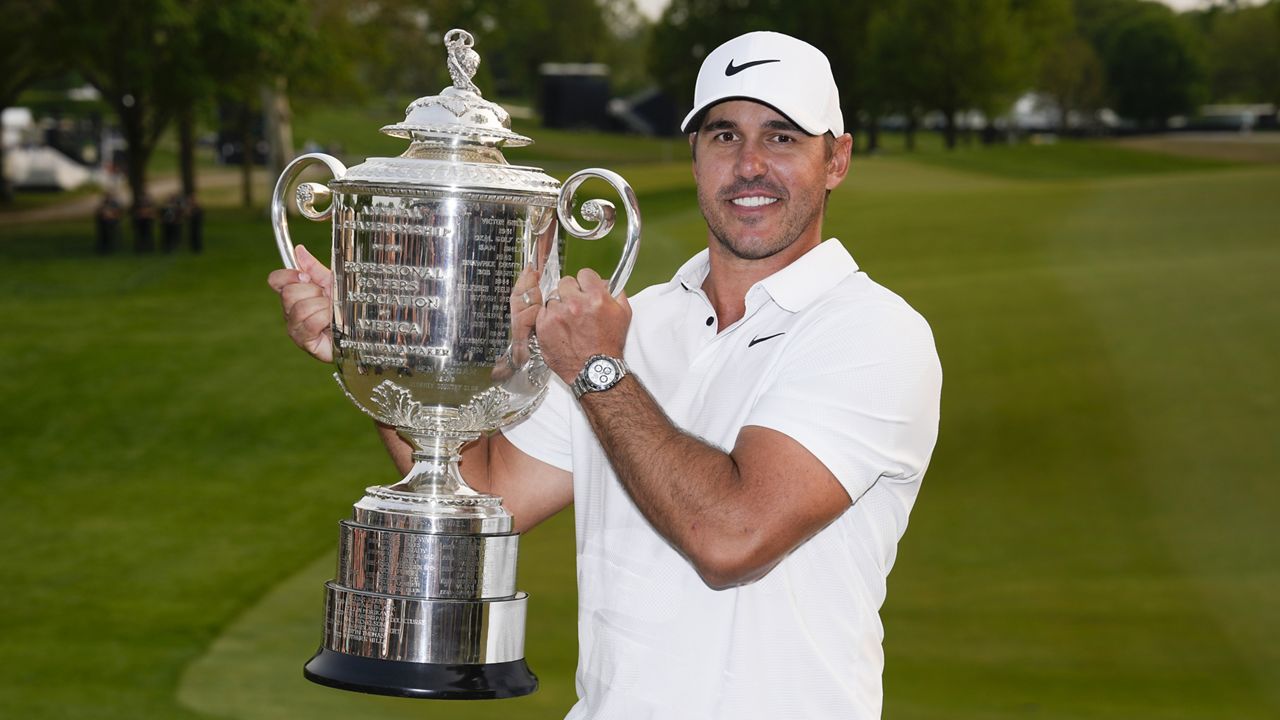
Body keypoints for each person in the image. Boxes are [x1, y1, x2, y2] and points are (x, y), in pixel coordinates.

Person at [270, 31, 940, 720]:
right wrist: (382, 349)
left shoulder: (873, 333)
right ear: (695, 154)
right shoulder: (634, 324)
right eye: (723, 136)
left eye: (782, 138)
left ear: (838, 159)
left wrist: (596, 369)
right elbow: (486, 491)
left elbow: (733, 538)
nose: (748, 166)